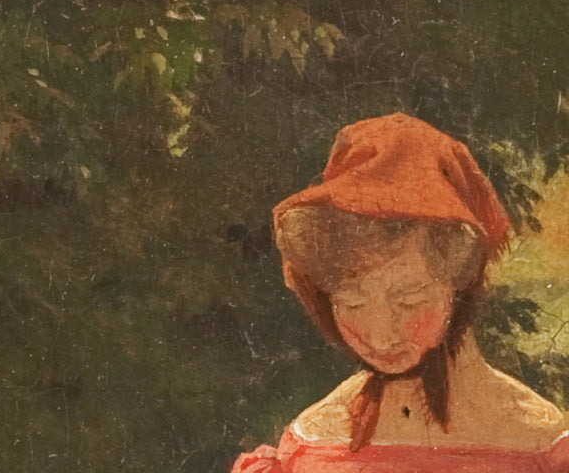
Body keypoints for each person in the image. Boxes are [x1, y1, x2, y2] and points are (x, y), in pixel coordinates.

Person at [231, 113, 569, 473]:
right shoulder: (312, 441)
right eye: (352, 302)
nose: (381, 335)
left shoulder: (540, 443)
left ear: (460, 280)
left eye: (410, 299)